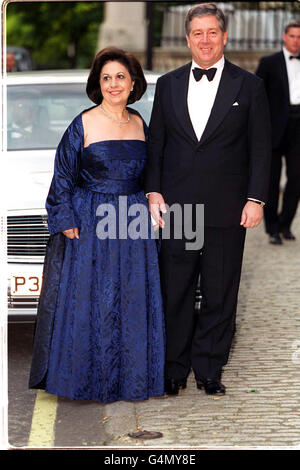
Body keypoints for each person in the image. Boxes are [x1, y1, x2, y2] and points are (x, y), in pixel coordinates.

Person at [145, 3, 271, 396]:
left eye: (212, 32)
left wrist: (256, 199)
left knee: (219, 293)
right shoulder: (166, 84)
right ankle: (173, 369)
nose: (205, 40)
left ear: (224, 36)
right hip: (178, 208)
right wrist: (153, 190)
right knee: (176, 290)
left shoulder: (249, 86)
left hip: (227, 208)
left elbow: (262, 149)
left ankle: (210, 368)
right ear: (187, 39)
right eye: (197, 33)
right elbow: (156, 145)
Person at [29, 47, 165, 403]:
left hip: (132, 220)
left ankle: (130, 381)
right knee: (95, 301)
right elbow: (63, 177)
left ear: (133, 82)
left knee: (131, 300)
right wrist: (65, 218)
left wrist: (153, 197)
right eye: (106, 78)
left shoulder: (139, 123)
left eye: (120, 76)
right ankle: (88, 382)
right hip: (91, 220)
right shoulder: (84, 123)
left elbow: (152, 172)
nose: (113, 84)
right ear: (97, 84)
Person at [256, 20, 300, 245]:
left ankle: (286, 224)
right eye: (292, 36)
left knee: (297, 178)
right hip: (274, 128)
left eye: (299, 37)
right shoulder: (269, 63)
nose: (296, 41)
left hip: (298, 127)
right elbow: (257, 98)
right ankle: (272, 227)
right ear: (284, 37)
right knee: (271, 181)